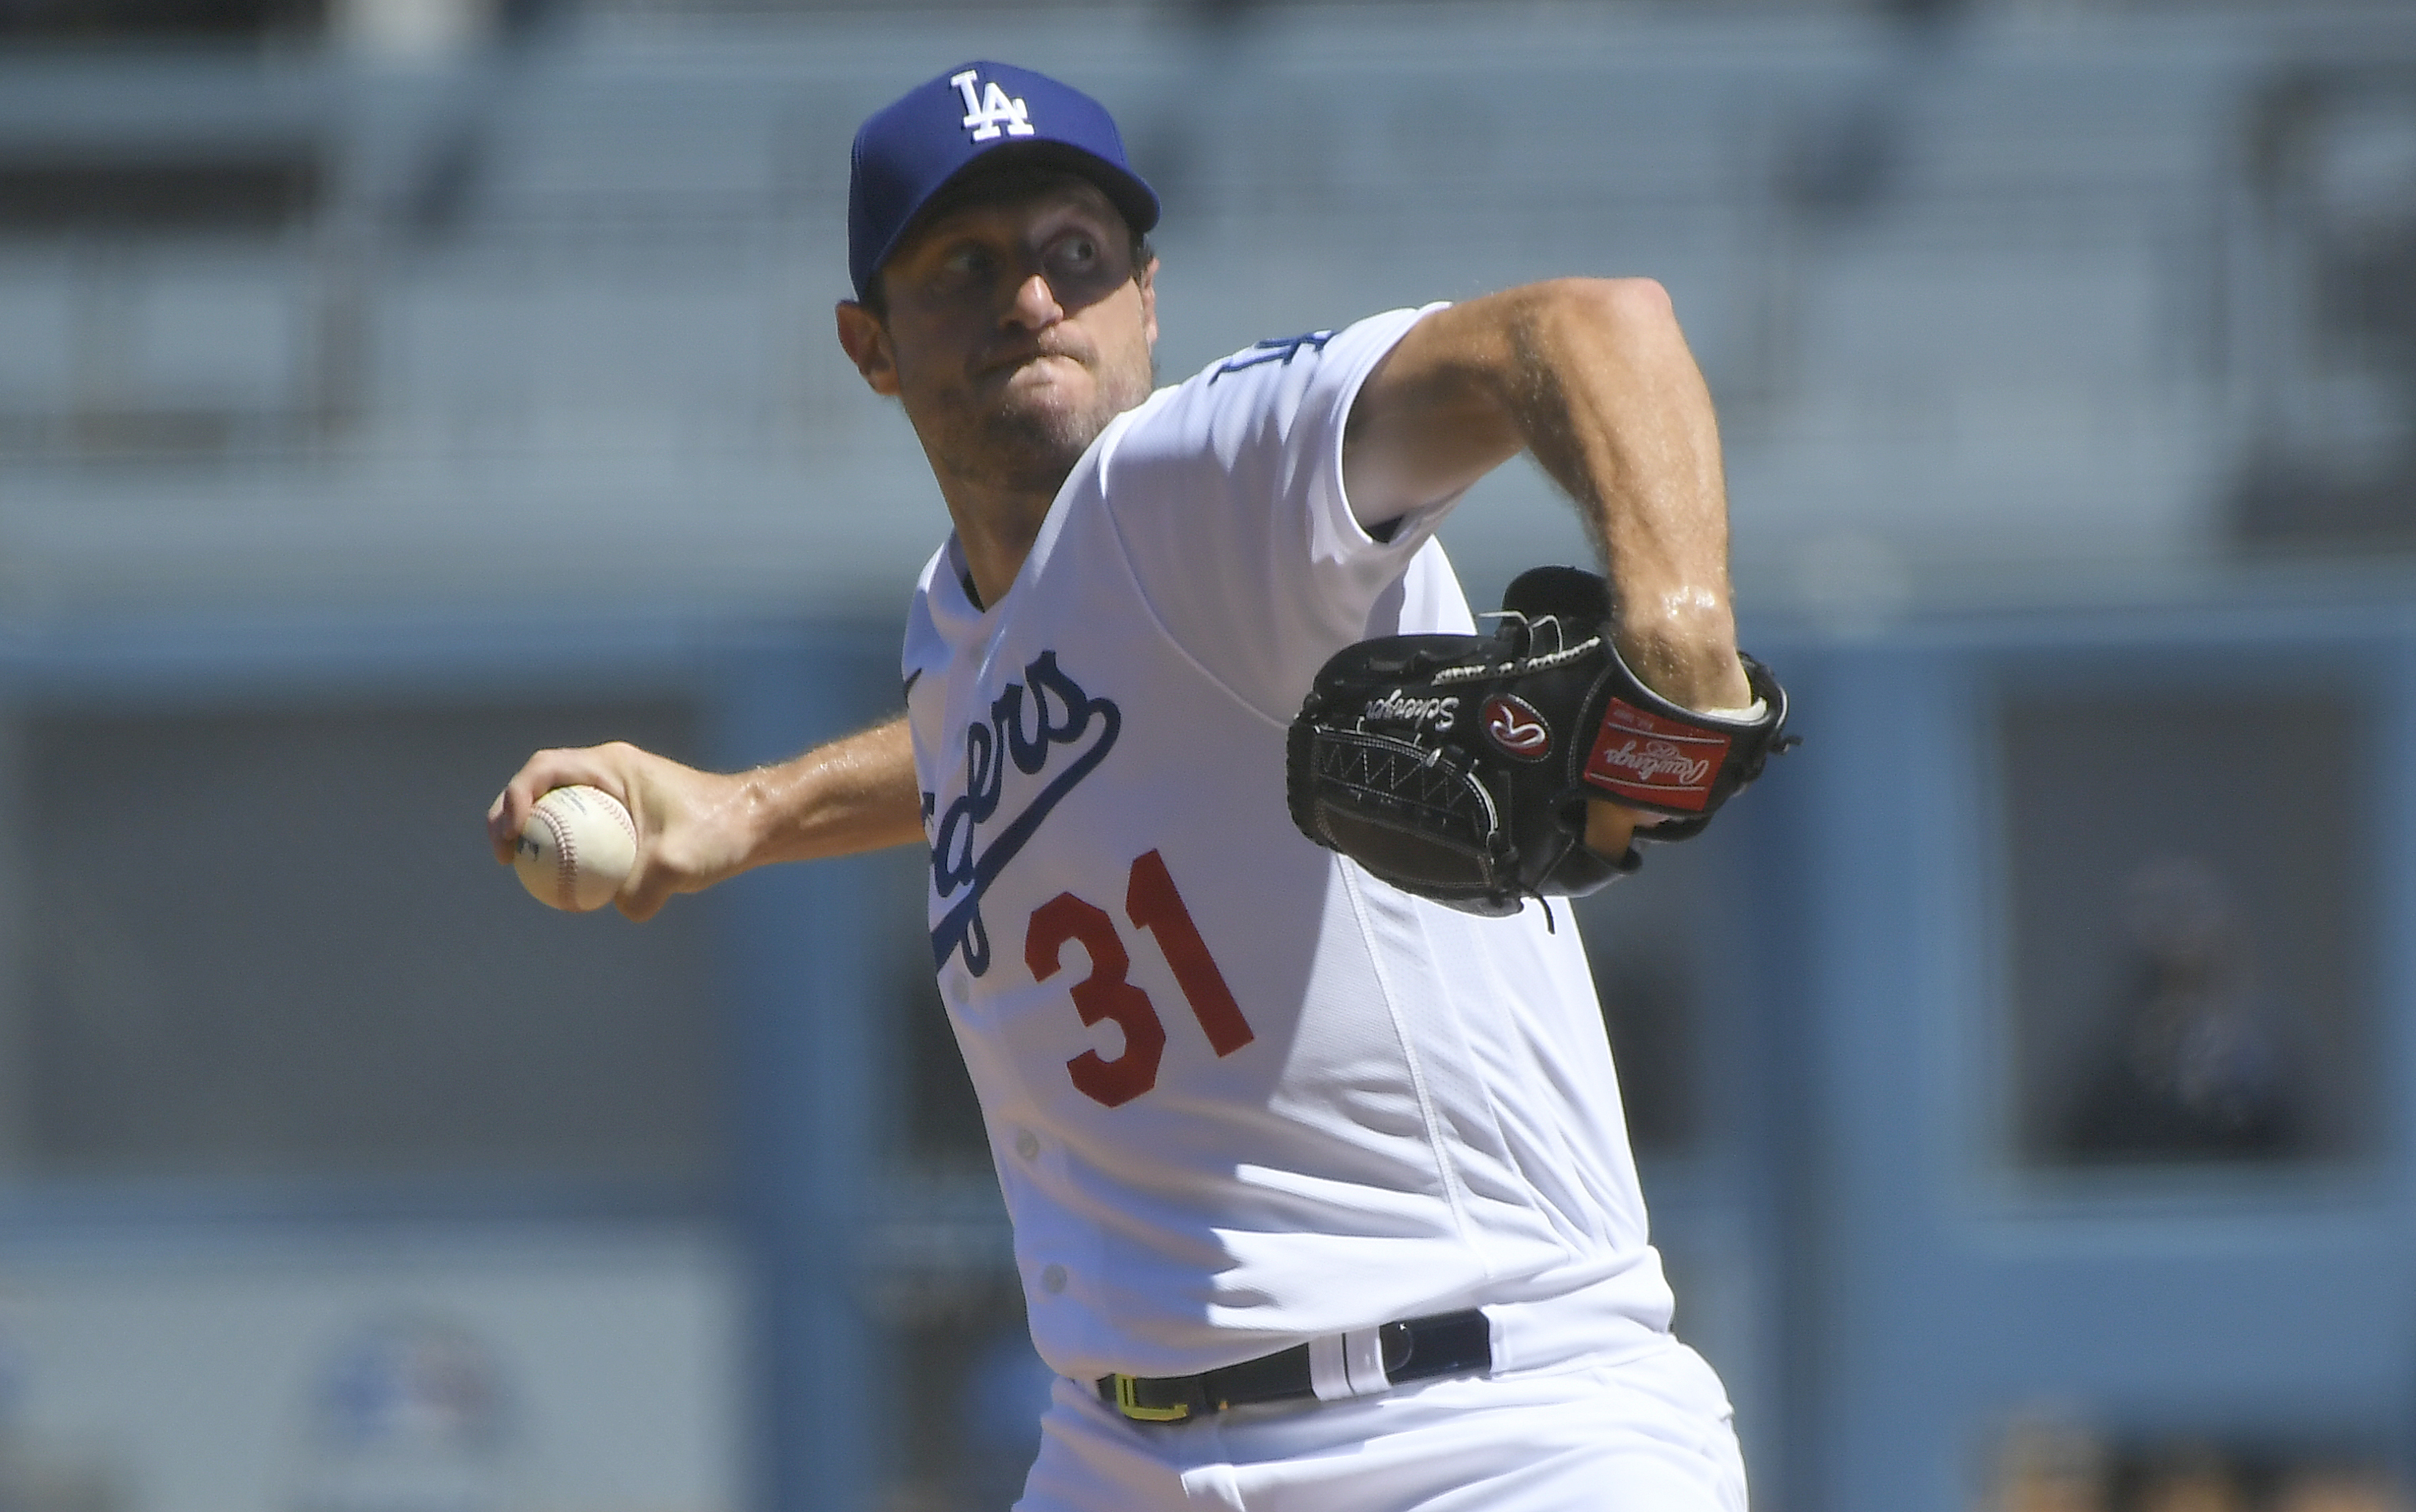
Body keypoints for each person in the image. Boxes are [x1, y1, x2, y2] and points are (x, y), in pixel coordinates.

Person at [490, 59, 1754, 1512]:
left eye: (1073, 255)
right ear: (870, 344)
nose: (1031, 297)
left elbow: (1591, 327)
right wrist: (746, 812)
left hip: (1485, 1430)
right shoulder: (959, 629)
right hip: (1123, 1454)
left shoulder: (1196, 478)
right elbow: (1013, 730)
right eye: (965, 265)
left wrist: (1679, 622)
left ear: (1147, 296)